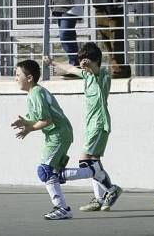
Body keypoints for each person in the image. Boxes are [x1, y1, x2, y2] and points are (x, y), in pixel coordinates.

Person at [43, 42, 122, 211]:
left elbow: (97, 72)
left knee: (85, 161)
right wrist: (52, 62)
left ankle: (111, 190)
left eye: (86, 62)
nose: (83, 66)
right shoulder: (86, 76)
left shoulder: (103, 75)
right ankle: (100, 198)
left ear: (95, 61)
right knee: (95, 162)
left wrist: (92, 67)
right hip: (90, 125)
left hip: (100, 125)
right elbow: (71, 69)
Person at [11, 60, 75, 220]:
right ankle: (93, 172)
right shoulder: (33, 94)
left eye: (18, 75)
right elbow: (37, 118)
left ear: (30, 77)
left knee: (45, 171)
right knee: (54, 173)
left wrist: (30, 128)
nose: (15, 78)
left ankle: (62, 208)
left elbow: (47, 121)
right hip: (58, 134)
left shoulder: (36, 93)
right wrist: (26, 122)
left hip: (58, 134)